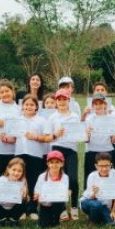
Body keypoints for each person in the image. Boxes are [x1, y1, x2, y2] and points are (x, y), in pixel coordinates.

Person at [47, 89, 81, 221]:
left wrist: (85, 133)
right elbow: (47, 137)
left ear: (69, 101)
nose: (61, 102)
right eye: (59, 99)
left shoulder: (75, 117)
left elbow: (79, 134)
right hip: (56, 149)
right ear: (56, 101)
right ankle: (61, 208)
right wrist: (56, 135)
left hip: (71, 150)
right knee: (59, 178)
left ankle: (73, 206)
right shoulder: (52, 117)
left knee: (72, 179)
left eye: (64, 99)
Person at [16, 94, 51, 220]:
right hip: (19, 154)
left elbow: (47, 138)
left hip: (35, 155)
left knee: (33, 181)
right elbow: (12, 137)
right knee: (20, 181)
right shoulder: (17, 120)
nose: (29, 107)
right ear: (22, 106)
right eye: (26, 104)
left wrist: (35, 137)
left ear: (36, 107)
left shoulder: (41, 121)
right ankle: (21, 209)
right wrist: (6, 137)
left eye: (32, 104)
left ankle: (33, 208)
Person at [84, 93, 115, 187]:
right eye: (96, 104)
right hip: (92, 151)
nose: (98, 106)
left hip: (107, 150)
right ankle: (89, 198)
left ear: (105, 105)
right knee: (90, 176)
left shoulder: (111, 119)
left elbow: (113, 140)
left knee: (107, 176)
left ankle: (107, 199)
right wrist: (87, 134)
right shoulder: (89, 119)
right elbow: (86, 140)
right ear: (92, 106)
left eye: (100, 103)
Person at [80, 152, 115, 226]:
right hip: (89, 202)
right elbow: (89, 196)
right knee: (96, 205)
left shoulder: (114, 173)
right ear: (96, 166)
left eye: (107, 166)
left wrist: (113, 211)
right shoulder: (92, 176)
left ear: (111, 165)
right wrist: (94, 194)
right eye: (101, 166)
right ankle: (92, 220)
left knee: (114, 223)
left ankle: (98, 217)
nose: (104, 169)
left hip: (104, 206)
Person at [0, 157, 29, 227]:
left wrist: (24, 195)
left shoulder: (22, 182)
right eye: (14, 170)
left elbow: (24, 199)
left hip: (13, 209)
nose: (16, 173)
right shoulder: (0, 180)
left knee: (25, 200)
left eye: (19, 171)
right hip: (1, 208)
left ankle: (14, 220)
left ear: (23, 172)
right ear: (8, 169)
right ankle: (1, 219)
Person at [34, 150, 71, 228]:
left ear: (62, 163)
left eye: (57, 162)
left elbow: (64, 191)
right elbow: (37, 190)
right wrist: (37, 195)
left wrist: (67, 193)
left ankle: (56, 220)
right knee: (43, 226)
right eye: (52, 162)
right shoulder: (42, 176)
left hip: (57, 203)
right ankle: (46, 218)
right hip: (45, 204)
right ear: (48, 164)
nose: (54, 165)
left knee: (58, 206)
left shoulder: (65, 177)